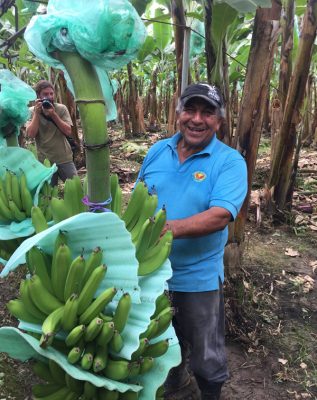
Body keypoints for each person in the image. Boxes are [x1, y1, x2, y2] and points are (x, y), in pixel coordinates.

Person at [137, 83, 248, 400]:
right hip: (151, 270)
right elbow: (141, 197)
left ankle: (210, 393)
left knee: (205, 351)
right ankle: (175, 384)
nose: (197, 119)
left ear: (219, 121)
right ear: (178, 112)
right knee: (159, 338)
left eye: (207, 112)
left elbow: (220, 215)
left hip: (197, 276)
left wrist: (165, 228)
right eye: (190, 110)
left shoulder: (229, 162)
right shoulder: (158, 150)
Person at [26, 80, 77, 186]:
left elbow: (68, 132)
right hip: (45, 161)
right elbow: (30, 134)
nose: (49, 97)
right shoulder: (31, 112)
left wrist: (53, 115)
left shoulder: (61, 109)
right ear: (38, 96)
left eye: (51, 93)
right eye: (45, 94)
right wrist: (36, 114)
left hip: (64, 157)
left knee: (76, 189)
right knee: (48, 194)